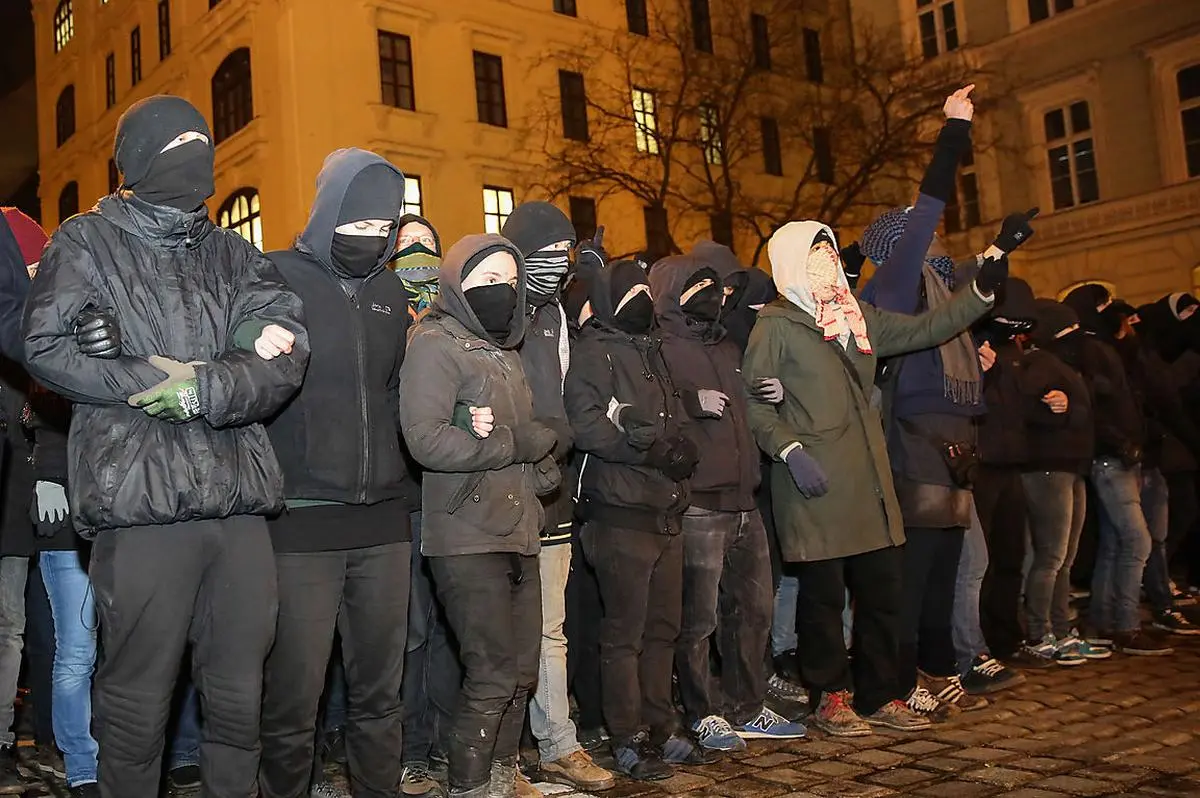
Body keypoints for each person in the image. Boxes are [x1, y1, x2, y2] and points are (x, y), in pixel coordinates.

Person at [22, 95, 310, 797]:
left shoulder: (235, 253)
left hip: (237, 503)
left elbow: (286, 349)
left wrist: (203, 390)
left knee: (240, 698)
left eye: (202, 139)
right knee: (135, 705)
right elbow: (44, 346)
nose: (196, 153)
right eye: (178, 141)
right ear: (138, 158)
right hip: (139, 503)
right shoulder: (86, 242)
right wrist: (146, 378)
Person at [743, 220, 1003, 738]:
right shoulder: (776, 324)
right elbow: (753, 402)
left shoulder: (854, 315)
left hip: (869, 481)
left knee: (884, 593)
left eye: (831, 253)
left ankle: (881, 693)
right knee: (822, 601)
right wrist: (790, 450)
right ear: (793, 263)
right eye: (815, 255)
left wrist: (979, 289)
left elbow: (924, 329)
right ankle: (831, 697)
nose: (828, 263)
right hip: (814, 485)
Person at [859, 86, 1036, 716]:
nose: (936, 243)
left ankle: (935, 669)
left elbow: (975, 292)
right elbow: (932, 202)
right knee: (917, 572)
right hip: (915, 445)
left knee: (945, 569)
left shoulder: (939, 290)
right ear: (900, 248)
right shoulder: (898, 284)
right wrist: (954, 131)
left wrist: (1001, 250)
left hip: (952, 444)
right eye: (922, 237)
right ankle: (905, 679)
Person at [257, 148, 415, 798]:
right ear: (329, 214)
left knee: (381, 693)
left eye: (384, 230)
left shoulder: (390, 291)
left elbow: (397, 387)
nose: (371, 241)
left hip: (384, 522)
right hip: (301, 521)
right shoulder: (277, 276)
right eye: (359, 226)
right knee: (294, 699)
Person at [399, 234, 559, 798]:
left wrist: (541, 472)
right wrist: (513, 446)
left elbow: (530, 435)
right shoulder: (434, 343)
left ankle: (501, 776)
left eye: (510, 282)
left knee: (520, 673)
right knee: (490, 673)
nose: (503, 291)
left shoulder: (506, 352)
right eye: (488, 280)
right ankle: (469, 786)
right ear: (458, 283)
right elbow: (425, 440)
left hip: (517, 526)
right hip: (464, 535)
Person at [647, 252, 804, 751]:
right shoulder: (661, 350)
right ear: (673, 293)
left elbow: (745, 411)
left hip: (743, 500)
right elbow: (653, 413)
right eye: (698, 288)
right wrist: (691, 405)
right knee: (698, 620)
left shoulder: (728, 345)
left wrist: (766, 393)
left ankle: (747, 706)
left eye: (715, 288)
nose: (713, 297)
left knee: (754, 610)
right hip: (699, 503)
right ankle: (701, 712)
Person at [564, 258, 709, 780]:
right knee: (624, 632)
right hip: (620, 513)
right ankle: (625, 736)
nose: (641, 302)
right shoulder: (594, 351)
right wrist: (647, 452)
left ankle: (661, 724)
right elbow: (584, 421)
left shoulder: (654, 352)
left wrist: (684, 446)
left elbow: (676, 415)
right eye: (629, 296)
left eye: (646, 292)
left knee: (662, 628)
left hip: (664, 510)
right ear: (606, 303)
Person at [500, 202, 614, 793]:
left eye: (561, 256)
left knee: (551, 629)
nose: (553, 267)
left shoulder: (553, 318)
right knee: (502, 633)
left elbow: (566, 392)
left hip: (554, 493)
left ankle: (558, 743)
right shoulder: (492, 310)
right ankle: (502, 758)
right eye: (540, 255)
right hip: (501, 491)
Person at [1054, 286, 1170, 656]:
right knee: (1137, 540)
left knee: (1116, 543)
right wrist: (1119, 442)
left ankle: (1105, 622)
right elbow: (1094, 406)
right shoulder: (1086, 350)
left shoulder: (1101, 348)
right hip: (1109, 458)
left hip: (1120, 456)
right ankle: (1125, 625)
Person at [1019, 299, 1096, 665]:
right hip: (1049, 468)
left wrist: (1069, 405)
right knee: (1051, 555)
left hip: (1070, 466)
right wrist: (1057, 405)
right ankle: (1040, 631)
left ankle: (1061, 629)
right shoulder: (1038, 363)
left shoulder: (1061, 364)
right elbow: (1028, 408)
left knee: (1064, 557)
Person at [391, 213, 442, 322]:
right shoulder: (378, 298)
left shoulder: (456, 299)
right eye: (404, 241)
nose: (416, 244)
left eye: (426, 240)